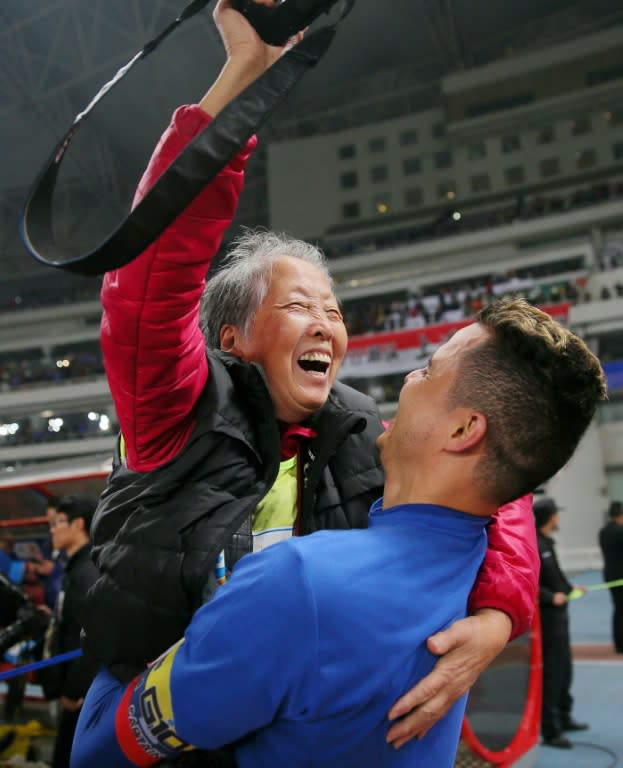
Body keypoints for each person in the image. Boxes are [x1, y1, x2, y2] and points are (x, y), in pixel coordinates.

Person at [81, 0, 538, 749]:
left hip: (282, 719)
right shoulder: (171, 409)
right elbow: (149, 274)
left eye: (332, 308)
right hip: (155, 715)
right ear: (232, 337)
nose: (327, 324)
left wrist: (497, 616)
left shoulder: (365, 432)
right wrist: (242, 79)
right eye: (300, 306)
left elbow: (490, 476)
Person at [71, 298, 607, 768]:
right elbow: (506, 478)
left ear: (465, 430)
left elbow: (98, 748)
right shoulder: (478, 567)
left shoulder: (296, 584)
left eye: (426, 370)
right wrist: (500, 615)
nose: (405, 382)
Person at [42, 494, 100, 768]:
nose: (52, 530)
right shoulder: (75, 568)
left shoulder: (87, 572)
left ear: (78, 524)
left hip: (79, 696)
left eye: (58, 523)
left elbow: (90, 635)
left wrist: (74, 690)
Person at [534, 497, 590, 749]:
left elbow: (555, 577)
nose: (558, 518)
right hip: (547, 618)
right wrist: (549, 596)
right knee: (553, 673)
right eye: (556, 514)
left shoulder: (548, 543)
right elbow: (531, 583)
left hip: (560, 617)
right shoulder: (535, 544)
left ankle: (564, 717)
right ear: (550, 517)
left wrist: (569, 589)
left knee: (565, 669)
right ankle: (551, 729)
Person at [598, 500, 623, 653]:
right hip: (620, 575)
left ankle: (619, 642)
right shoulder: (620, 532)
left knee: (618, 608)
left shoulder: (603, 531)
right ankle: (621, 643)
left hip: (609, 573)